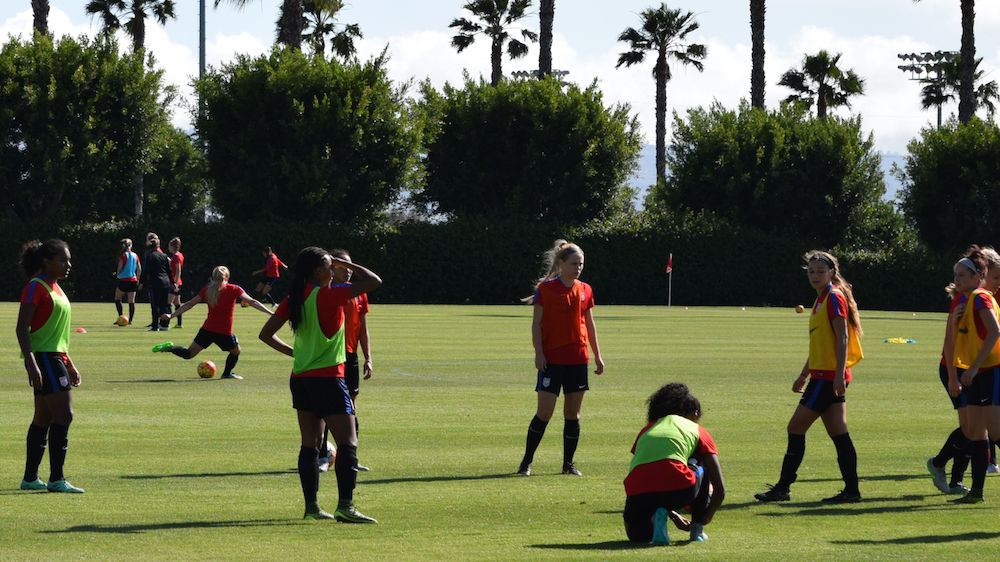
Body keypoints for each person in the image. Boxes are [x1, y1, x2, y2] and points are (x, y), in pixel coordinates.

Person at [258, 247, 382, 522]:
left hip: (301, 378)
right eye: (329, 265)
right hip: (328, 378)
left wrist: (297, 354)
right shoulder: (327, 295)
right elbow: (374, 281)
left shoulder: (295, 298)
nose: (334, 269)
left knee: (310, 445)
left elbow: (265, 334)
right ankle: (346, 506)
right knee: (348, 443)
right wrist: (346, 262)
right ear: (318, 271)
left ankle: (312, 508)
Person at [755, 250, 864, 503]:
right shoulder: (822, 299)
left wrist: (838, 376)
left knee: (795, 427)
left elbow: (843, 339)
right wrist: (804, 374)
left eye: (820, 271)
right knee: (839, 432)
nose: (814, 275)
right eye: (811, 271)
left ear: (832, 273)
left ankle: (783, 488)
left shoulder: (833, 297)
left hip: (828, 377)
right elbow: (821, 345)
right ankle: (852, 491)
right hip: (823, 374)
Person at [517, 240, 605, 477]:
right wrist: (539, 352)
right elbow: (536, 323)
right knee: (544, 413)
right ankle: (526, 462)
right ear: (561, 263)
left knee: (572, 414)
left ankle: (568, 465)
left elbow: (590, 324)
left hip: (578, 359)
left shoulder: (586, 289)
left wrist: (597, 355)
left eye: (581, 264)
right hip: (552, 359)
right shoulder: (545, 289)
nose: (578, 268)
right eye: (574, 263)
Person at [927, 246, 1000, 494]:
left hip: (983, 370)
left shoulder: (980, 297)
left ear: (977, 276)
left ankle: (953, 476)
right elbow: (951, 341)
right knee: (975, 432)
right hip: (967, 370)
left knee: (985, 431)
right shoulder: (966, 299)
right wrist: (955, 376)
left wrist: (972, 367)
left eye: (961, 275)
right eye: (955, 275)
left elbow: (993, 332)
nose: (956, 279)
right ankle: (967, 487)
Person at [17, 239, 84, 493]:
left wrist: (70, 364)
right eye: (62, 260)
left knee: (43, 417)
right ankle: (57, 479)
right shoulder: (36, 286)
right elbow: (22, 328)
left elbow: (58, 334)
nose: (68, 264)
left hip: (55, 358)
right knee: (64, 415)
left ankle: (30, 479)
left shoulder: (55, 287)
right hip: (44, 358)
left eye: (68, 260)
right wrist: (31, 364)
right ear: (47, 261)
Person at [624, 383, 725, 545]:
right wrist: (707, 515)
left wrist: (671, 513)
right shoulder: (697, 429)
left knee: (636, 535)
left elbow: (653, 471)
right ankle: (696, 531)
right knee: (700, 461)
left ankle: (657, 522)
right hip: (680, 488)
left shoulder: (648, 429)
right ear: (695, 414)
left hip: (637, 490)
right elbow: (719, 490)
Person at [154, 266, 271, 380]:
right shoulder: (234, 289)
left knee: (189, 354)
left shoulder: (207, 290)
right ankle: (226, 374)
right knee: (236, 351)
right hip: (224, 332)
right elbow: (253, 301)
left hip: (207, 330)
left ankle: (170, 348)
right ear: (227, 277)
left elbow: (189, 304)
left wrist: (171, 315)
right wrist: (270, 313)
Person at [319, 249, 374, 473]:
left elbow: (363, 329)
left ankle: (349, 458)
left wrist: (368, 358)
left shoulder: (359, 294)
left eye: (350, 267)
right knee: (324, 409)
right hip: (330, 357)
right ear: (332, 269)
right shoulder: (326, 291)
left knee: (351, 410)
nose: (348, 272)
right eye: (342, 267)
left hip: (350, 356)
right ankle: (322, 456)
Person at [139, 234, 173, 332]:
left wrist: (142, 282)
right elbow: (169, 270)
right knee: (165, 304)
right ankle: (165, 325)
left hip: (155, 283)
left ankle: (155, 326)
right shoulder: (164, 255)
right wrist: (173, 282)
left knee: (155, 305)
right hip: (166, 282)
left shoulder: (149, 256)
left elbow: (146, 271)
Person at [113, 238, 141, 325]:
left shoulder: (123, 255)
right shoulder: (135, 255)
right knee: (131, 301)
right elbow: (139, 269)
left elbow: (120, 268)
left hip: (124, 280)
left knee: (117, 299)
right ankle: (131, 320)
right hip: (133, 279)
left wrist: (117, 274)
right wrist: (138, 279)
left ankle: (121, 317)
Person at [168, 237, 185, 329]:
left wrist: (175, 282)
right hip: (177, 282)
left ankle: (166, 322)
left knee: (168, 303)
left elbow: (178, 270)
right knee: (177, 303)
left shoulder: (176, 256)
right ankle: (179, 323)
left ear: (173, 246)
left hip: (174, 282)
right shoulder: (178, 255)